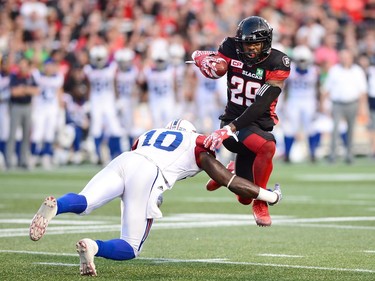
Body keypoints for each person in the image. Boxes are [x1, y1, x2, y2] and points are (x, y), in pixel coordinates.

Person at [29, 119, 282, 277]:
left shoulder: (149, 134)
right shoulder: (197, 143)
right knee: (130, 247)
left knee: (85, 201)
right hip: (149, 173)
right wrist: (269, 196)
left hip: (126, 160)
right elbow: (230, 183)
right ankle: (94, 246)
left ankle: (56, 206)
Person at [192, 16, 290, 227]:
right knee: (268, 146)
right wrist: (203, 59)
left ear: (266, 42)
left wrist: (229, 128)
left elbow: (260, 106)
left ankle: (230, 173)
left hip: (252, 124)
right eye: (247, 43)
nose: (252, 48)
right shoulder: (231, 47)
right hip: (233, 123)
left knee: (242, 197)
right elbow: (216, 66)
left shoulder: (278, 62)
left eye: (256, 43)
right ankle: (261, 200)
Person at [322, 49, 368, 164]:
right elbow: (327, 88)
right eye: (342, 57)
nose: (345, 59)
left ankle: (349, 155)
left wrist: (363, 107)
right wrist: (323, 104)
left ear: (351, 58)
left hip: (353, 103)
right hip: (337, 103)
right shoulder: (335, 70)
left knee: (351, 130)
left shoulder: (357, 71)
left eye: (347, 57)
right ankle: (332, 155)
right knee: (335, 129)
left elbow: (362, 91)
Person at [282, 45, 321, 163]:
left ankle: (313, 153)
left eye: (304, 60)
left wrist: (319, 102)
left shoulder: (314, 70)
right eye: (300, 60)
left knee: (311, 127)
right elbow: (285, 87)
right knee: (290, 128)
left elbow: (318, 87)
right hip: (294, 100)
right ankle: (287, 154)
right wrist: (284, 102)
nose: (302, 63)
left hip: (309, 100)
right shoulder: (291, 70)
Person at [6, 57, 39, 169]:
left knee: (26, 135)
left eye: (24, 65)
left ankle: (24, 160)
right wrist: (26, 90)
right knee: (12, 134)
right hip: (16, 107)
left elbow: (36, 91)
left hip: (27, 107)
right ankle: (9, 160)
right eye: (21, 65)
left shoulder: (30, 77)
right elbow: (14, 92)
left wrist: (23, 89)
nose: (22, 67)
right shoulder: (15, 76)